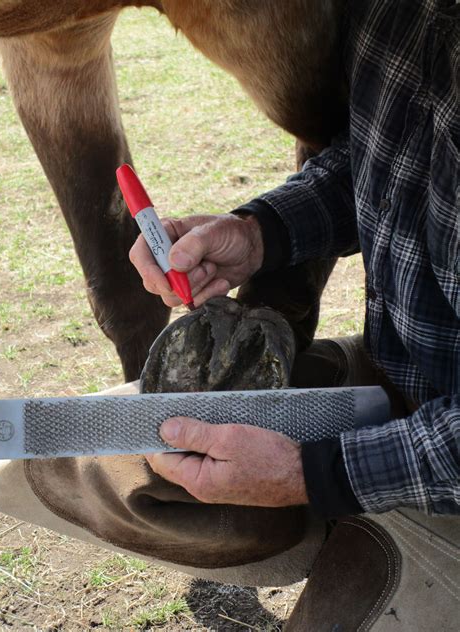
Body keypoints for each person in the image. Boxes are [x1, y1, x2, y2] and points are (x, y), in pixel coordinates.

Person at [130, 0, 459, 520]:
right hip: (401, 391)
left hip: (437, 467)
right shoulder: (404, 10)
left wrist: (313, 474)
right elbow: (388, 157)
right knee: (88, 475)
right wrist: (260, 233)